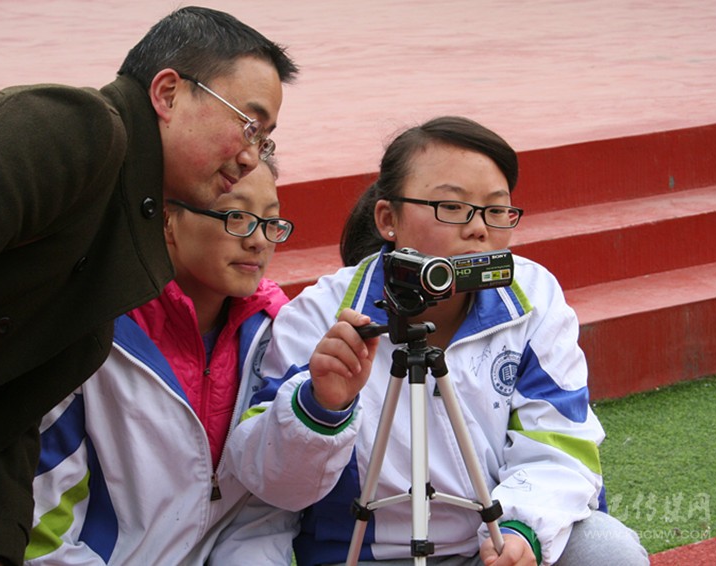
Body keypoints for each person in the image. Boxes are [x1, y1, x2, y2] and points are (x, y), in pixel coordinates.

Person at [0, 6, 298, 566]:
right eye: (248, 125)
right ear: (168, 93)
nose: (251, 157)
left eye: (267, 140)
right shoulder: (79, 125)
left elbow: (17, 394)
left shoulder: (125, 233)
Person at [226, 116, 649, 565]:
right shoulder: (319, 316)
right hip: (364, 556)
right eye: (452, 207)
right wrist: (320, 407)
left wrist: (523, 528)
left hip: (496, 544)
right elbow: (272, 487)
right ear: (388, 219)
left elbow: (561, 442)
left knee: (609, 551)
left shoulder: (532, 296)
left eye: (496, 210)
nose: (479, 229)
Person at [23, 160, 297, 565]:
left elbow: (266, 515)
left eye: (271, 221)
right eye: (236, 217)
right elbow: (41, 532)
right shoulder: (90, 337)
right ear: (167, 219)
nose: (258, 241)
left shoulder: (276, 334)